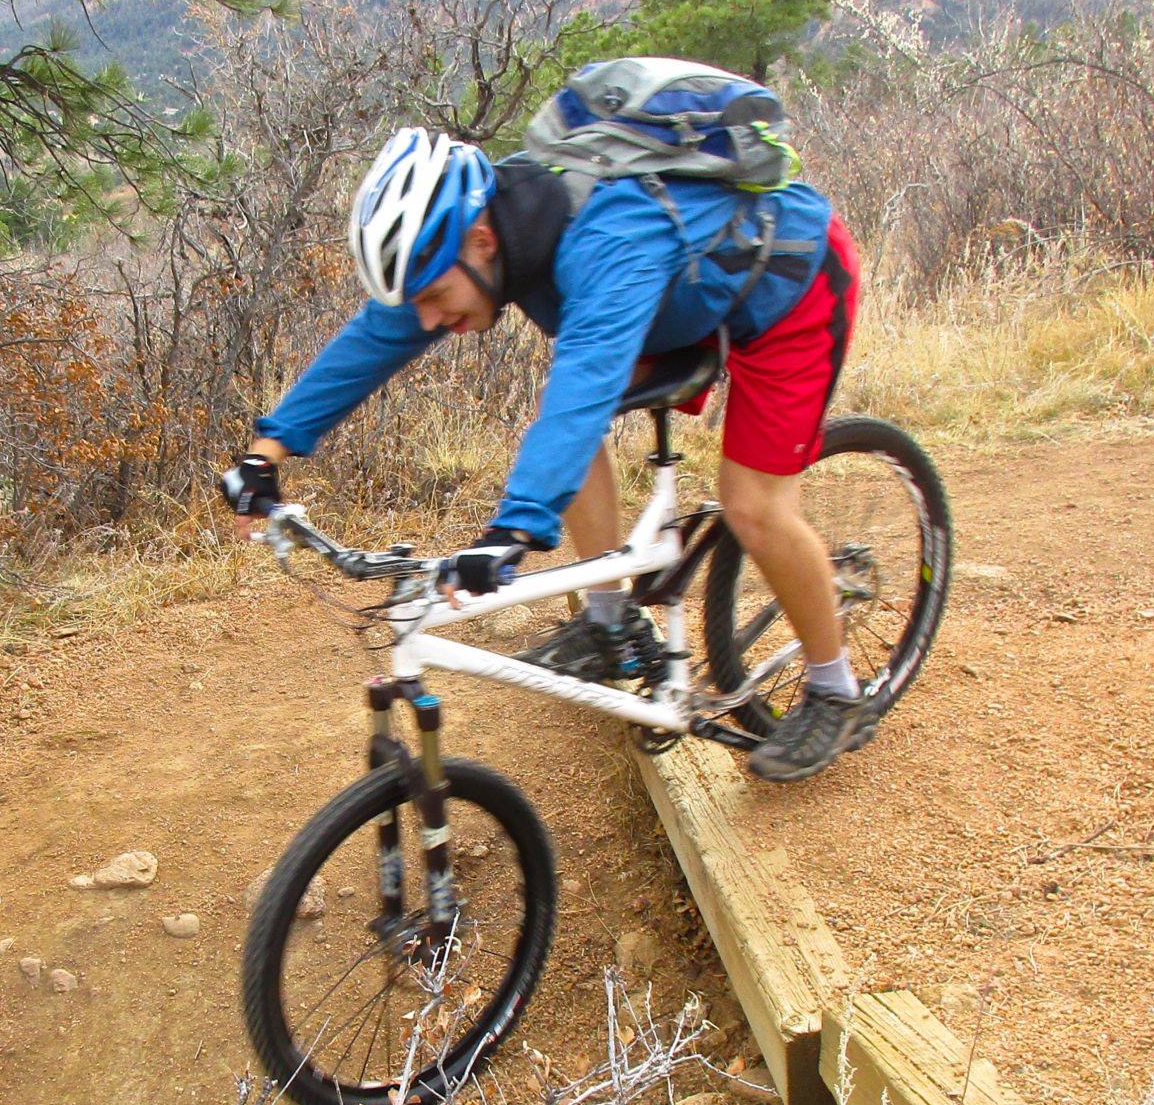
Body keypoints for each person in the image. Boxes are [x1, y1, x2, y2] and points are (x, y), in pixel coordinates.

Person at [220, 124, 870, 783]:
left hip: (789, 286)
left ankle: (834, 688)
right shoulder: (490, 232)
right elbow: (380, 334)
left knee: (753, 506)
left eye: (435, 297)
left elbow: (584, 388)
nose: (426, 319)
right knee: (570, 436)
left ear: (482, 242)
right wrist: (266, 450)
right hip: (674, 294)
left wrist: (511, 532)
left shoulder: (607, 241)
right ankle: (612, 621)